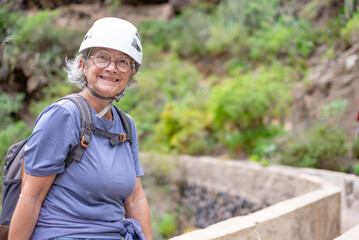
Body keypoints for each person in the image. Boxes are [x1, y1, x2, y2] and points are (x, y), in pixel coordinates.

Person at [8, 17, 152, 240]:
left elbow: (135, 198)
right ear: (82, 65)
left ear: (131, 73)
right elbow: (31, 196)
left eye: (123, 61)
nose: (112, 68)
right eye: (102, 57)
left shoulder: (126, 125)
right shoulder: (64, 115)